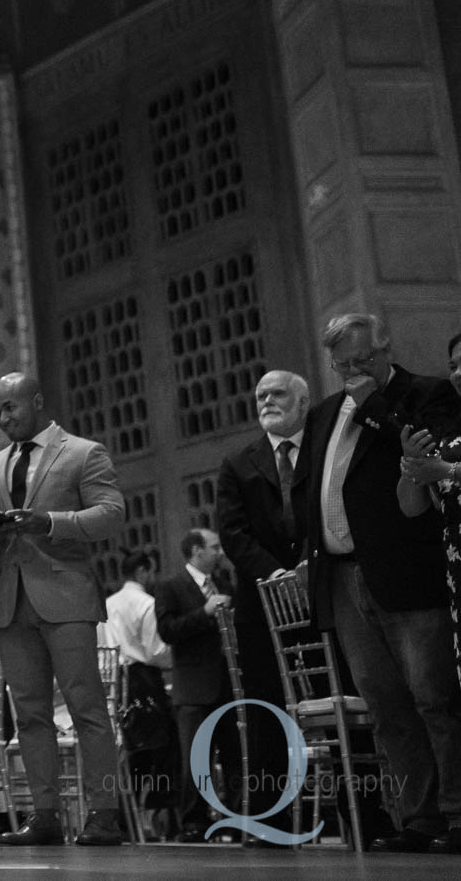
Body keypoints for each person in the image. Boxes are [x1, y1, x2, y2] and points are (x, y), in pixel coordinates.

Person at [297, 313, 461, 853]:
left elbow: (430, 452)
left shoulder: (427, 393)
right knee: (387, 707)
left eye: (363, 359)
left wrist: (372, 405)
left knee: (435, 697)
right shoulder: (322, 414)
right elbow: (306, 491)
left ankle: (457, 812)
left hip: (409, 572)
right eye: (343, 364)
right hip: (343, 579)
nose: (353, 370)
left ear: (386, 346)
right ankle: (419, 818)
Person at [0, 371, 126, 847]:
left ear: (36, 401)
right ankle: (45, 816)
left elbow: (112, 513)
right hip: (11, 601)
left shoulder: (82, 452)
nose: (2, 418)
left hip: (67, 598)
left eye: (10, 408)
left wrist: (49, 522)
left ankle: (104, 814)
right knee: (30, 715)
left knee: (87, 709)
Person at [213, 369, 308, 836]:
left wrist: (308, 569)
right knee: (265, 709)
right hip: (261, 602)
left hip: (324, 591)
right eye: (260, 396)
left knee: (348, 700)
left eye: (278, 394)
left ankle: (367, 815)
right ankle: (267, 819)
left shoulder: (320, 449)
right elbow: (232, 533)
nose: (267, 401)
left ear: (303, 402)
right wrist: (275, 573)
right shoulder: (238, 461)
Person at [153, 529, 238, 841]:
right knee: (196, 760)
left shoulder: (225, 584)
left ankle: (235, 817)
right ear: (196, 550)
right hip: (192, 685)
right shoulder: (171, 587)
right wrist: (203, 613)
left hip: (227, 683)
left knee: (233, 756)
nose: (220, 552)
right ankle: (194, 822)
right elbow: (167, 630)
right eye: (214, 547)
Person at [397, 330, 461, 695]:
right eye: (452, 365)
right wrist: (412, 464)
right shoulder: (447, 429)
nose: (457, 373)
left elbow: (447, 474)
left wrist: (448, 471)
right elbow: (411, 507)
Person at [101, 552, 176, 838]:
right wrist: (175, 661)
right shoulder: (146, 603)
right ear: (144, 571)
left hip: (112, 682)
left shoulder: (107, 604)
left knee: (126, 752)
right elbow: (155, 651)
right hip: (141, 681)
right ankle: (154, 814)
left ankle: (124, 817)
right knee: (158, 747)